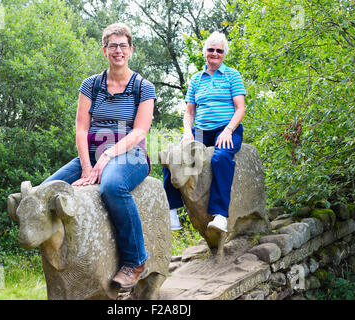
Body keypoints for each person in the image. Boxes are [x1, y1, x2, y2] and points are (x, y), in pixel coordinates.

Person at [43, 23, 156, 290]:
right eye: (112, 46)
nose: (118, 51)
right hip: (92, 152)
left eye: (123, 45)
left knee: (112, 186)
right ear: (104, 49)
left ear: (131, 50)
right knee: (45, 192)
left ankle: (135, 261)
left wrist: (107, 158)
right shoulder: (91, 85)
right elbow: (81, 128)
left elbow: (140, 131)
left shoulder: (144, 87)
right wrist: (86, 165)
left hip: (131, 154)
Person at [164, 31, 246, 233]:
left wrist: (228, 130)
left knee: (221, 158)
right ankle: (172, 209)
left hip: (226, 128)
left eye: (219, 51)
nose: (215, 53)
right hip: (200, 130)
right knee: (171, 155)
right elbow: (189, 112)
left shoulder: (232, 75)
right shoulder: (196, 79)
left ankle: (220, 216)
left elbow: (241, 108)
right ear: (205, 52)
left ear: (224, 54)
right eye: (211, 50)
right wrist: (187, 133)